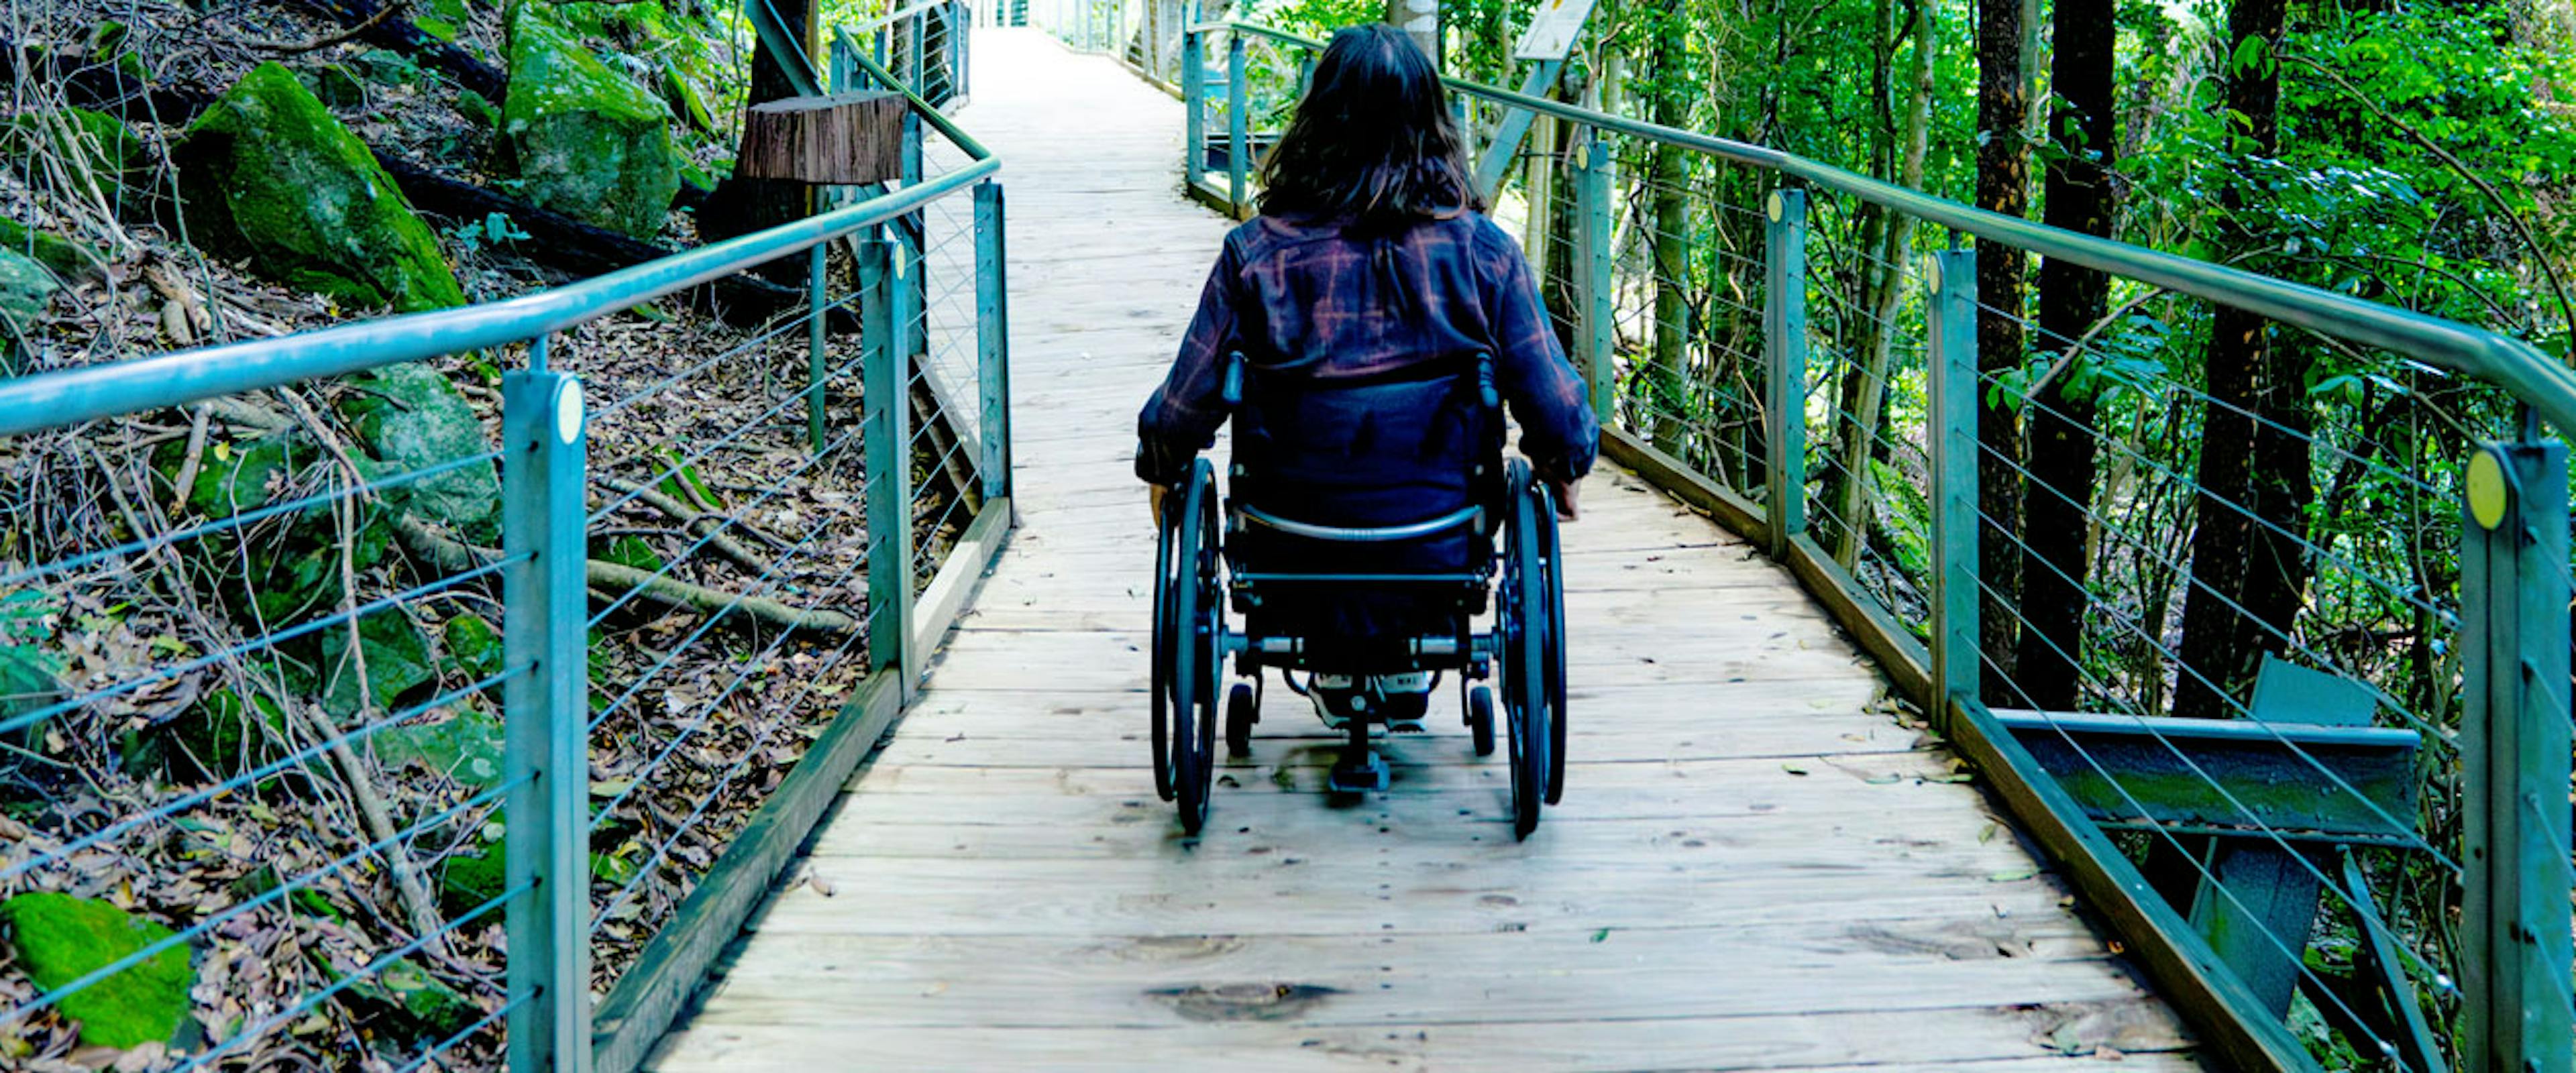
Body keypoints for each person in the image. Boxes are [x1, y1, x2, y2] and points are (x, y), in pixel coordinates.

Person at [1134, 23, 1598, 731]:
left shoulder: (1254, 255)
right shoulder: (1485, 255)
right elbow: (1559, 414)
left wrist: (1162, 466)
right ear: (1435, 125)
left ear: (1314, 123)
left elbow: (1182, 405)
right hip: (1440, 542)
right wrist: (1561, 463)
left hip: (1287, 544)